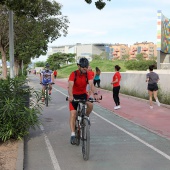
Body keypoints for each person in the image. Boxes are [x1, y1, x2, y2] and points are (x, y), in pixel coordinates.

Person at [68, 58, 99, 145]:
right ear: (79, 66)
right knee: (73, 114)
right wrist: (70, 96)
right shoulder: (73, 74)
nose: (85, 68)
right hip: (74, 96)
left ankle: (85, 117)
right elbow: (70, 86)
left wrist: (95, 93)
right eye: (83, 67)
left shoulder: (88, 74)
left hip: (83, 94)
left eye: (86, 67)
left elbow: (91, 84)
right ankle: (73, 134)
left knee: (90, 105)